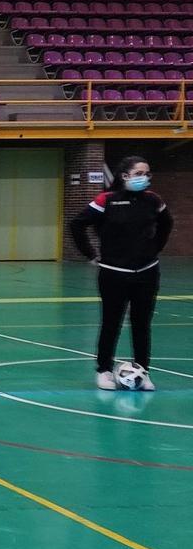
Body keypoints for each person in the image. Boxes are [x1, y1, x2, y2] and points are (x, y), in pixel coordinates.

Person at [70, 155, 173, 391]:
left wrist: (155, 249)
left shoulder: (153, 200)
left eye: (147, 174)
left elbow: (166, 223)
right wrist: (90, 254)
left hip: (146, 272)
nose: (144, 178)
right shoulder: (107, 200)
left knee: (142, 323)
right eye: (138, 173)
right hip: (113, 273)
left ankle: (143, 370)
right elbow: (77, 224)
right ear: (125, 176)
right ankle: (104, 370)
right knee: (111, 322)